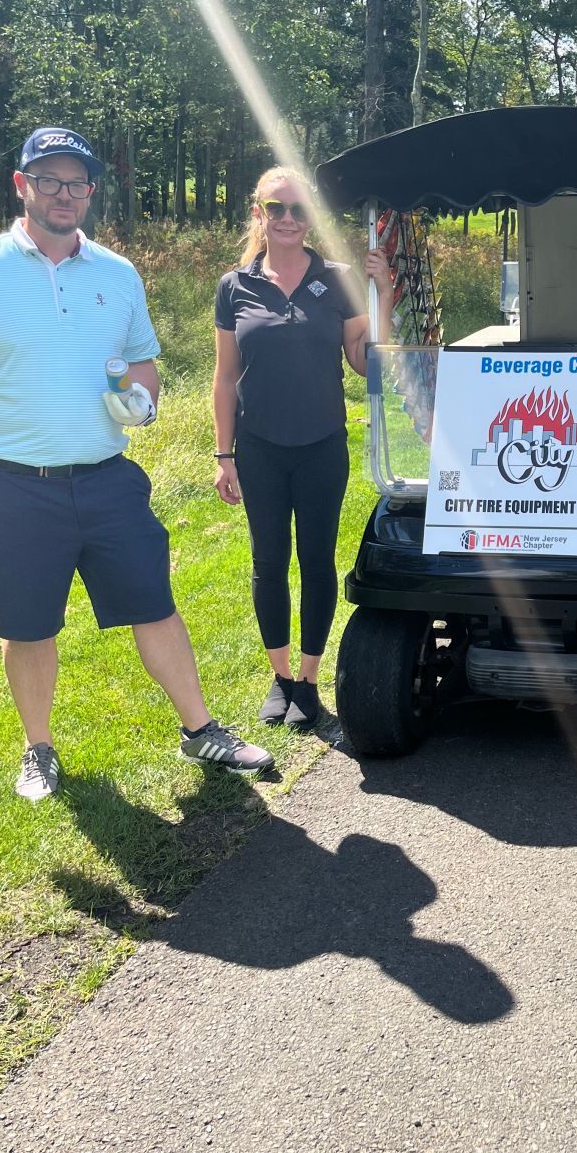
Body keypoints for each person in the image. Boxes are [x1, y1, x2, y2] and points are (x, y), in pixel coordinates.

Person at [0, 126, 274, 800]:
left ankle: (201, 732)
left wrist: (140, 401)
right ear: (22, 186)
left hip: (107, 477)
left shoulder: (117, 273)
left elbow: (142, 365)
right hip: (14, 485)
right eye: (48, 181)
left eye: (76, 182)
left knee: (155, 604)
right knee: (27, 624)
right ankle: (38, 748)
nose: (63, 194)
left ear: (91, 192)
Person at [213, 167, 393, 731]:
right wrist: (224, 456)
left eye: (298, 210)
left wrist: (383, 296)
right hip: (259, 448)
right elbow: (224, 378)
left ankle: (310, 683)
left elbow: (367, 364)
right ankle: (281, 677)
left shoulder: (338, 280)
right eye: (276, 209)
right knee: (269, 564)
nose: (288, 220)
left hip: (321, 446)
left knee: (316, 563)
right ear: (259, 213)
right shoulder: (234, 285)